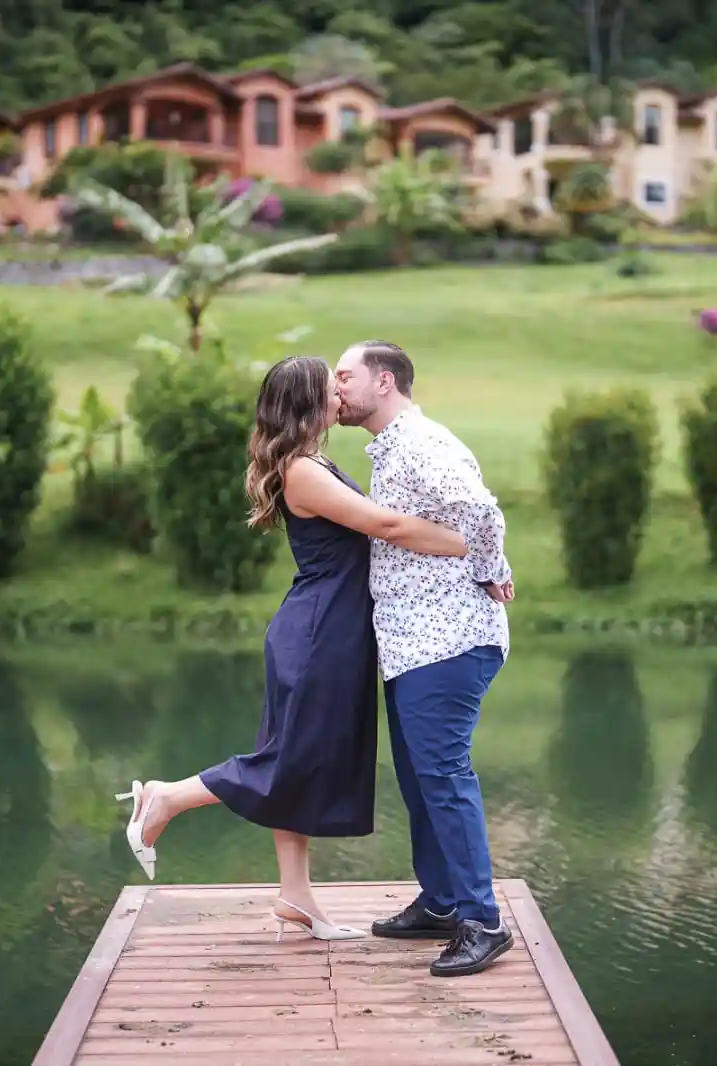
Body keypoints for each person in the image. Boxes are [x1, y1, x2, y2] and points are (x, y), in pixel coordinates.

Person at [116, 355, 470, 942]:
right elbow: (383, 526)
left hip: (326, 631)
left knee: (298, 755)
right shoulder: (303, 470)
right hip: (318, 635)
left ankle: (297, 897)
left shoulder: (314, 461)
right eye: (330, 384)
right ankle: (168, 797)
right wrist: (470, 546)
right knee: (290, 760)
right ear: (309, 400)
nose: (340, 390)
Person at [333, 339, 516, 979]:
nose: (335, 388)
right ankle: (440, 903)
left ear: (384, 382)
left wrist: (491, 567)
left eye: (344, 376)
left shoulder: (419, 443)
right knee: (418, 779)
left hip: (448, 640)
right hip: (413, 643)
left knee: (442, 775)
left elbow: (480, 510)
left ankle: (482, 922)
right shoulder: (395, 448)